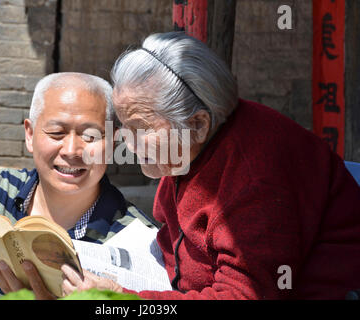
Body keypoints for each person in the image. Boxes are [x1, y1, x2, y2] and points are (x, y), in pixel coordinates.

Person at [61, 32, 360, 299]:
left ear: (199, 124)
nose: (128, 142)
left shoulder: (254, 177)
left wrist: (122, 300)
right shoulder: (186, 152)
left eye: (140, 127)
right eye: (124, 126)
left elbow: (244, 295)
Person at [0, 72, 155, 299]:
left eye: (90, 137)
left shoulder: (137, 237)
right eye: (56, 133)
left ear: (112, 143)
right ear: (30, 135)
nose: (71, 151)